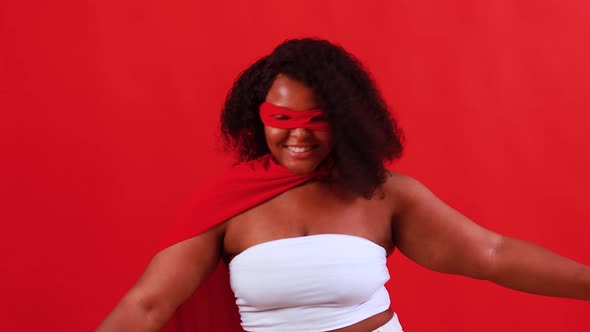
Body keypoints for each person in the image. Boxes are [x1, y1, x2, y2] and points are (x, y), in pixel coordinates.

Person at [97, 38, 590, 332]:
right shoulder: (226, 204)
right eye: (282, 117)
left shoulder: (382, 194)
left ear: (347, 121)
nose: (298, 133)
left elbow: (492, 254)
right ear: (257, 118)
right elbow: (148, 305)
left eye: (317, 118)